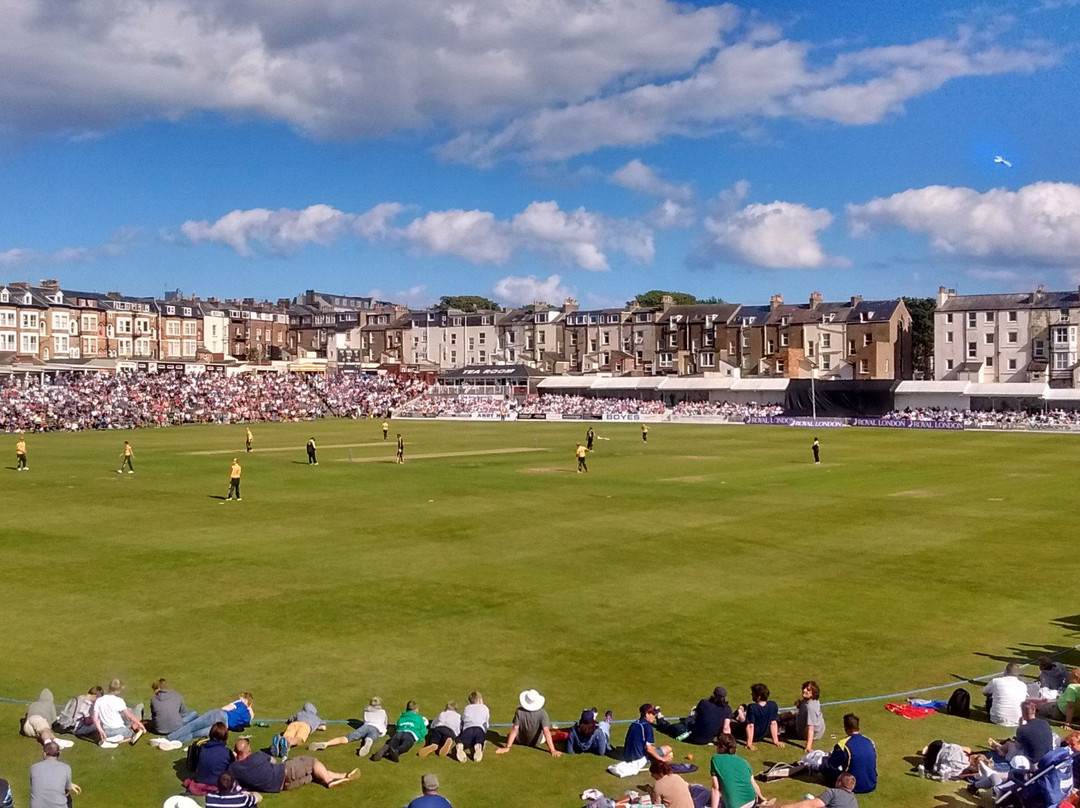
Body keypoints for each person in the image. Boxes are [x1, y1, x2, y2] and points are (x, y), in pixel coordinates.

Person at [228, 738, 357, 792]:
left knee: (313, 774)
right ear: (248, 750)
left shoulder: (234, 769)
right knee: (312, 762)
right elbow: (274, 761)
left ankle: (343, 775)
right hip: (285, 772)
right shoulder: (257, 756)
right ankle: (329, 780)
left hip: (282, 787)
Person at [156, 692, 254, 749]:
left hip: (219, 715)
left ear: (245, 700)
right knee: (195, 734)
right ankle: (177, 742)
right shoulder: (248, 716)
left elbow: (225, 708)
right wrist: (249, 707)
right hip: (223, 727)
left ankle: (168, 739)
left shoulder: (239, 703)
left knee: (192, 726)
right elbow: (250, 719)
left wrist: (241, 703)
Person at [308, 695, 387, 758]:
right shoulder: (383, 712)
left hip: (365, 727)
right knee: (370, 739)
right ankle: (367, 744)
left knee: (346, 738)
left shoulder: (365, 710)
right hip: (376, 729)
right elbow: (385, 723)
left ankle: (326, 743)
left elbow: (365, 721)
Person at [656, 686, 732, 745]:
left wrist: (694, 713)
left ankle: (660, 719)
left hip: (692, 736)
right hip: (707, 739)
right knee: (687, 721)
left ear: (713, 694)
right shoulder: (728, 709)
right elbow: (726, 728)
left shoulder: (704, 703)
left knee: (672, 728)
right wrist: (725, 743)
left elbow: (694, 718)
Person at [496, 689, 561, 757]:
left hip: (520, 740)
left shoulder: (519, 711)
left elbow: (515, 729)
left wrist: (507, 747)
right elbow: (546, 731)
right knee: (549, 732)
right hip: (537, 741)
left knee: (510, 734)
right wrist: (552, 750)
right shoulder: (542, 713)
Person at [821, 714, 876, 794]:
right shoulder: (869, 741)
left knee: (824, 767)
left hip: (852, 786)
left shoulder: (843, 744)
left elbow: (831, 766)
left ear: (846, 728)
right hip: (871, 783)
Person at [989, 700, 1055, 765]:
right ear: (1034, 711)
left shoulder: (1023, 729)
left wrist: (1020, 726)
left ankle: (1000, 749)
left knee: (1010, 744)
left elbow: (1018, 746)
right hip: (1048, 758)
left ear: (1023, 713)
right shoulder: (1045, 723)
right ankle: (1001, 748)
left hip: (1033, 762)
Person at [710, 732, 766, 808]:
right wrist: (762, 797)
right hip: (752, 801)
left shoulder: (716, 760)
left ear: (719, 747)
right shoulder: (743, 761)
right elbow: (753, 784)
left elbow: (715, 788)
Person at [91, 678, 145, 748]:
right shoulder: (119, 700)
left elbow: (95, 719)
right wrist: (140, 724)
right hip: (120, 730)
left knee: (126, 729)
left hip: (106, 731)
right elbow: (129, 716)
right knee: (133, 733)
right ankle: (118, 741)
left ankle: (108, 739)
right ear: (117, 690)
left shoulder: (99, 700)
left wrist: (100, 731)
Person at [30, 742, 80, 808]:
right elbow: (66, 792)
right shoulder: (66, 768)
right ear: (59, 754)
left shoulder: (34, 768)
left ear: (44, 753)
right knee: (69, 798)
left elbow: (35, 784)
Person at [778, 681, 826, 752]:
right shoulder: (811, 700)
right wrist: (799, 705)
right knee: (790, 713)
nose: (804, 690)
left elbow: (811, 728)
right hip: (816, 728)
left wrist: (808, 746)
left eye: (808, 690)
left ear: (813, 693)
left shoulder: (810, 708)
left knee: (779, 725)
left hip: (804, 731)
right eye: (804, 688)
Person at [623, 704, 672, 771]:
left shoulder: (634, 723)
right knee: (668, 749)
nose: (654, 716)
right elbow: (649, 749)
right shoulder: (647, 727)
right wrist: (662, 759)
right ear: (647, 714)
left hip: (627, 755)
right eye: (652, 714)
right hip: (639, 758)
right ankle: (661, 769)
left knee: (654, 749)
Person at [738, 683, 784, 751]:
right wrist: (776, 741)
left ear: (758, 696)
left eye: (753, 693)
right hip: (762, 735)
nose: (752, 695)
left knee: (735, 718)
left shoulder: (752, 707)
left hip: (747, 734)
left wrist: (749, 743)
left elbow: (750, 726)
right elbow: (773, 723)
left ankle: (740, 711)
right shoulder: (773, 705)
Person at [983, 662, 1028, 727]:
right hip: (1018, 720)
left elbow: (984, 692)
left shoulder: (996, 681)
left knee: (990, 696)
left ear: (1006, 671)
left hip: (997, 718)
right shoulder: (1023, 685)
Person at [779, 772, 858, 808]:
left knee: (807, 798)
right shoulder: (853, 800)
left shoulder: (833, 792)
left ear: (839, 783)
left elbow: (811, 805)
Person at [193, 722, 234, 788]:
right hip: (218, 783)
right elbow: (233, 768)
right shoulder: (227, 752)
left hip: (200, 780)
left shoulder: (202, 748)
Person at [455, 691, 490, 763]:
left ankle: (461, 746)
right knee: (479, 740)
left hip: (468, 729)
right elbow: (486, 724)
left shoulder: (467, 708)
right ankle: (478, 746)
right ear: (480, 699)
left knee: (465, 741)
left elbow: (463, 720)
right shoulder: (485, 708)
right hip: (479, 729)